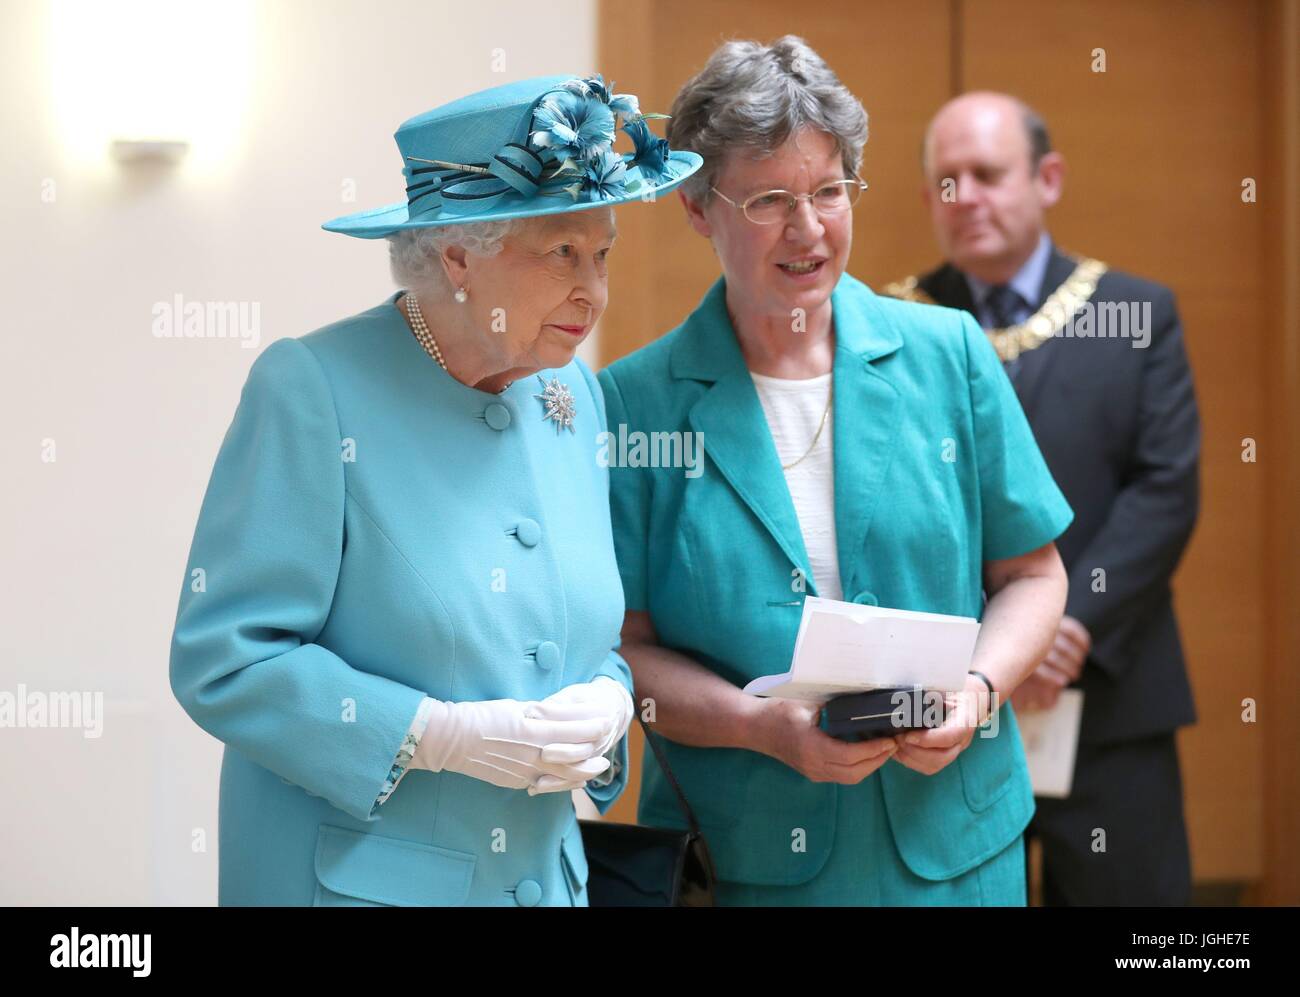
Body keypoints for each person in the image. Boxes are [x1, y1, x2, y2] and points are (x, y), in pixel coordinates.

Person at [168, 74, 702, 906]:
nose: (593, 292)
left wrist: (607, 696)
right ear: (458, 256)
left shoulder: (575, 394)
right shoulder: (313, 389)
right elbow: (224, 658)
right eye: (562, 253)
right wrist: (433, 735)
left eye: (602, 254)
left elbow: (583, 631)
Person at [598, 37, 1073, 905]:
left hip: (956, 850)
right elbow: (622, 651)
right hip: (746, 860)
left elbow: (1034, 575)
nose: (809, 229)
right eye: (770, 199)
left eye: (827, 191)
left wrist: (976, 691)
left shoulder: (949, 352)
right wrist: (758, 725)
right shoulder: (634, 403)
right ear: (699, 209)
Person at [882, 90, 1199, 905]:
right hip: (943, 706)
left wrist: (1068, 626)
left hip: (1106, 696)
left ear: (1047, 178)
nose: (967, 197)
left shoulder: (1136, 314)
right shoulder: (892, 324)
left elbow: (1164, 490)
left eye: (988, 173)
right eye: (947, 182)